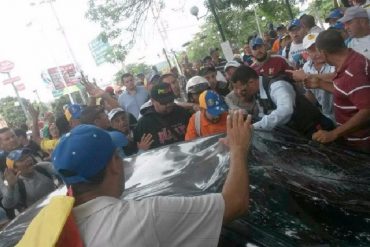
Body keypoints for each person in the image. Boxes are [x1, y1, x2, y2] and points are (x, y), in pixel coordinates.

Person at [49, 109, 251, 246]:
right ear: (114, 164)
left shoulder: (53, 228)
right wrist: (238, 148)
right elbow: (234, 204)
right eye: (117, 155)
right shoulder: (143, 218)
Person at [305, 30, 370, 153]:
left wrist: (334, 134)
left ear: (323, 53)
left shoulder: (354, 72)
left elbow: (367, 110)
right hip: (352, 137)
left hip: (363, 142)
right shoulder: (349, 60)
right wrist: (320, 84)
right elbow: (348, 93)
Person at [231, 66, 334, 136]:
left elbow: (285, 110)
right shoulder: (258, 92)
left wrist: (253, 127)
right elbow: (265, 114)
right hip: (300, 134)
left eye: (242, 91)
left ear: (251, 82)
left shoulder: (277, 86)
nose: (240, 94)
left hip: (319, 130)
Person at [287, 33, 335, 122]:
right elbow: (311, 93)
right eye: (312, 50)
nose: (317, 53)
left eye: (318, 48)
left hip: (344, 110)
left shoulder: (334, 61)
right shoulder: (306, 67)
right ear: (307, 52)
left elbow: (338, 79)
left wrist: (306, 76)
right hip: (326, 114)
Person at [134, 83, 191, 150]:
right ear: (153, 101)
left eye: (170, 100)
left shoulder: (182, 112)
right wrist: (140, 149)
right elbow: (134, 148)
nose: (169, 104)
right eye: (164, 102)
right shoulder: (144, 123)